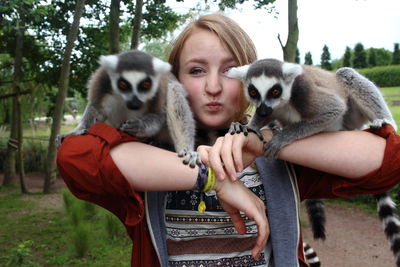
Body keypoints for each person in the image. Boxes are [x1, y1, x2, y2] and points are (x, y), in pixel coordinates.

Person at [56, 12, 400, 267]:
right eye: (196, 70)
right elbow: (76, 158)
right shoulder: (151, 158)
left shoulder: (278, 157)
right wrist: (213, 178)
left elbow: (388, 162)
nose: (213, 87)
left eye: (227, 70)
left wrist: (264, 143)